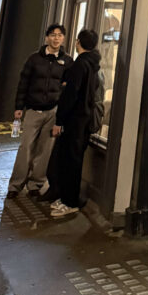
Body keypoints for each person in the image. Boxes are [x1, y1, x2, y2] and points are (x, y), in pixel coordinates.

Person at [6, 24, 73, 199]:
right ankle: (15, 185)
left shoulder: (67, 61)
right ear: (46, 38)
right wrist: (19, 107)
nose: (56, 38)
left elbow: (69, 87)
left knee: (45, 150)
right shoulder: (34, 59)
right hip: (33, 110)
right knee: (25, 147)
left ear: (63, 38)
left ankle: (35, 183)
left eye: (59, 35)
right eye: (53, 35)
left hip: (53, 111)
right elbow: (23, 84)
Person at [46, 27, 101, 218]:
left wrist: (60, 120)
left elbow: (70, 95)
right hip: (84, 120)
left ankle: (70, 202)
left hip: (74, 120)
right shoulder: (94, 65)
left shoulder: (80, 65)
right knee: (73, 161)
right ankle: (67, 198)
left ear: (79, 42)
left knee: (71, 162)